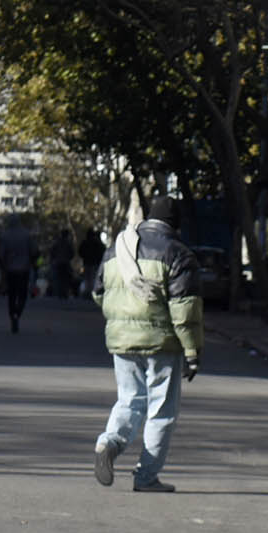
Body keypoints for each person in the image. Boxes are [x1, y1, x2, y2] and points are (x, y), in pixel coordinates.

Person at [96, 195, 203, 492]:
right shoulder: (178, 253)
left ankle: (109, 443)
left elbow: (98, 292)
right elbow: (185, 309)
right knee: (161, 411)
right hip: (162, 343)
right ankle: (146, 477)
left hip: (122, 341)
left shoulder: (117, 249)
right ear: (175, 223)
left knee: (129, 399)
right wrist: (192, 352)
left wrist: (121, 319)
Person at [0, 215, 37, 333]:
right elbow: (34, 251)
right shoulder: (26, 234)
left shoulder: (5, 235)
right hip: (24, 269)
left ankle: (12, 315)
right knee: (22, 293)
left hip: (10, 269)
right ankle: (18, 312)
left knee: (12, 295)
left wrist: (2, 268)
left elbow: (1, 255)